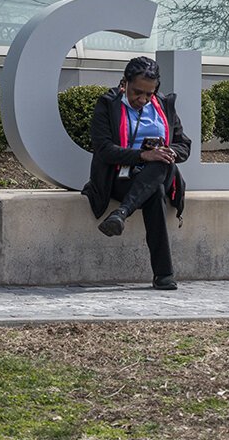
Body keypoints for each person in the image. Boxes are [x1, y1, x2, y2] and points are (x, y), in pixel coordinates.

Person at [82, 56, 189, 290]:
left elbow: (184, 145)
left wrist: (166, 151)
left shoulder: (164, 105)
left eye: (149, 94)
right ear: (125, 83)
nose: (142, 99)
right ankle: (164, 275)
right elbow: (103, 150)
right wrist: (142, 156)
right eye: (137, 92)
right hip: (120, 178)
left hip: (160, 170)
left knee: (163, 161)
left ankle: (121, 213)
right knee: (155, 192)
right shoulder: (108, 104)